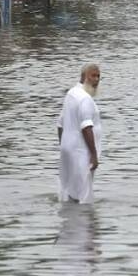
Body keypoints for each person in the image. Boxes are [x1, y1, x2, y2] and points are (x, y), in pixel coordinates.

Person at [58, 64, 103, 204]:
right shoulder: (85, 99)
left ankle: (70, 221)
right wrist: (94, 155)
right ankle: (85, 224)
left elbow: (60, 124)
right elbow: (86, 127)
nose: (96, 80)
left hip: (68, 149)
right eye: (93, 76)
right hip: (81, 152)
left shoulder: (71, 93)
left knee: (69, 191)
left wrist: (64, 145)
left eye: (98, 76)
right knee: (85, 196)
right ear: (84, 77)